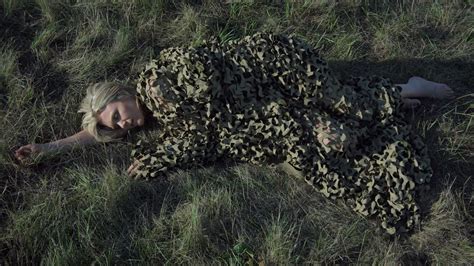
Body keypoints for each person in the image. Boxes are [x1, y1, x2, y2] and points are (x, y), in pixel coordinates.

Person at [14, 32, 453, 234]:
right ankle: (396, 96)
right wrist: (50, 147)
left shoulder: (155, 81)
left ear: (120, 93)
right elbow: (93, 132)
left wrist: (169, 151)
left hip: (272, 63)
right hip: (265, 98)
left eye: (117, 114)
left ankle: (410, 87)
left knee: (338, 100)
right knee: (330, 132)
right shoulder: (159, 116)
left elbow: (207, 93)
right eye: (117, 128)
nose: (125, 124)